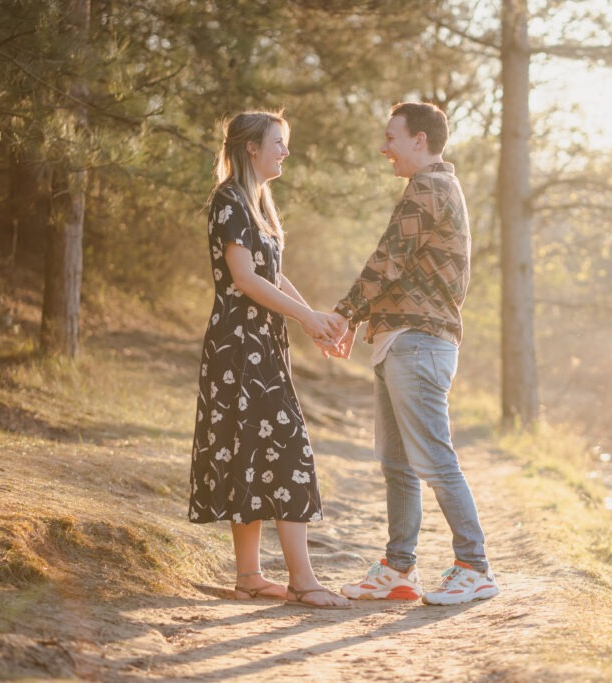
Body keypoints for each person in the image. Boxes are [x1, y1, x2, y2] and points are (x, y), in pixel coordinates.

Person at [324, 102, 499, 606]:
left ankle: (475, 566)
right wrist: (358, 320)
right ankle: (399, 569)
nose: (385, 148)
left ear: (419, 140)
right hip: (400, 340)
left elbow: (389, 258)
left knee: (435, 461)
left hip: (419, 343)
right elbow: (398, 266)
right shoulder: (436, 186)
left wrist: (344, 313)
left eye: (391, 138)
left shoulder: (430, 186)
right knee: (397, 464)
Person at [188, 110, 350, 609]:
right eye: (277, 142)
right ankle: (302, 581)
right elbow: (245, 278)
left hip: (260, 343)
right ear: (250, 148)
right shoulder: (229, 199)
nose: (285, 151)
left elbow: (273, 275)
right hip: (238, 347)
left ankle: (250, 578)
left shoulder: (258, 202)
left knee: (251, 453)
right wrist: (305, 317)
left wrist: (313, 319)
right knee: (289, 451)